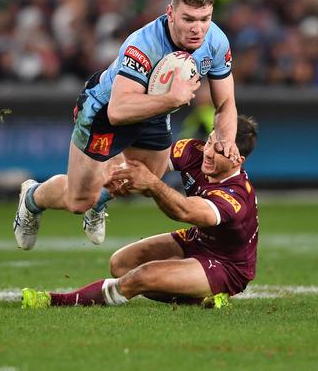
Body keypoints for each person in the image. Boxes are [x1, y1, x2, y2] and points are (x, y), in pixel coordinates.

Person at [14, 0, 239, 249]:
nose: (198, 28)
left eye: (204, 19)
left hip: (154, 112)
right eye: (188, 19)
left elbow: (226, 103)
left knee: (147, 182)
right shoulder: (143, 45)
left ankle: (98, 202)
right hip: (103, 113)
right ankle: (32, 198)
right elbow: (118, 111)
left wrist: (227, 140)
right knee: (78, 200)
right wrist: (172, 98)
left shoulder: (215, 40)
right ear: (170, 13)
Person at [20, 115, 259, 309]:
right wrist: (109, 184)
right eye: (208, 142)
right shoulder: (193, 150)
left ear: (238, 159)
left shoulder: (235, 197)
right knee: (120, 265)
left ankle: (58, 301)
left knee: (142, 277)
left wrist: (151, 183)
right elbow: (151, 166)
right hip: (199, 239)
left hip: (226, 265)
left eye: (218, 150)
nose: (207, 152)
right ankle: (199, 300)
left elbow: (184, 211)